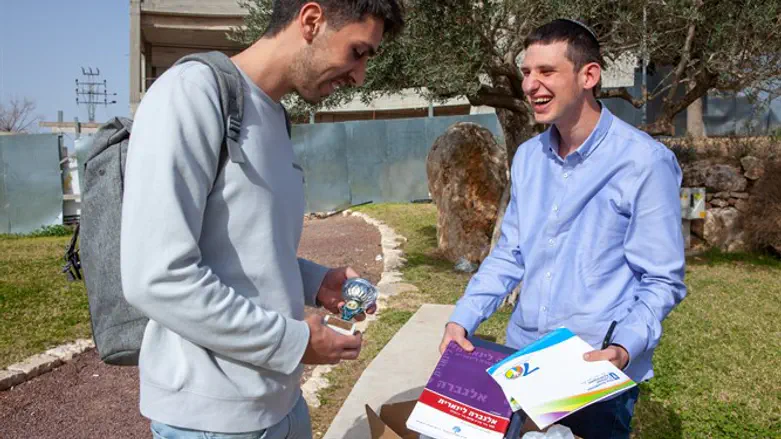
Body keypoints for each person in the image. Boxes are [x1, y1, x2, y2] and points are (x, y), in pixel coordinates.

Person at [120, 1, 404, 438]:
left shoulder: (274, 116)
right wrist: (294, 343)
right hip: (212, 421)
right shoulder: (191, 93)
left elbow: (245, 249)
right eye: (357, 51)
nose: (360, 75)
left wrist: (314, 280)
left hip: (284, 406)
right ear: (312, 21)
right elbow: (156, 276)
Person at [439, 19, 686, 439]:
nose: (530, 84)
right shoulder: (528, 159)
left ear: (589, 75)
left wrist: (622, 350)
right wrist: (462, 319)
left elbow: (662, 279)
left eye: (546, 71)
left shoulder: (645, 163)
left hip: (594, 372)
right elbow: (510, 253)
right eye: (527, 72)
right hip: (523, 359)